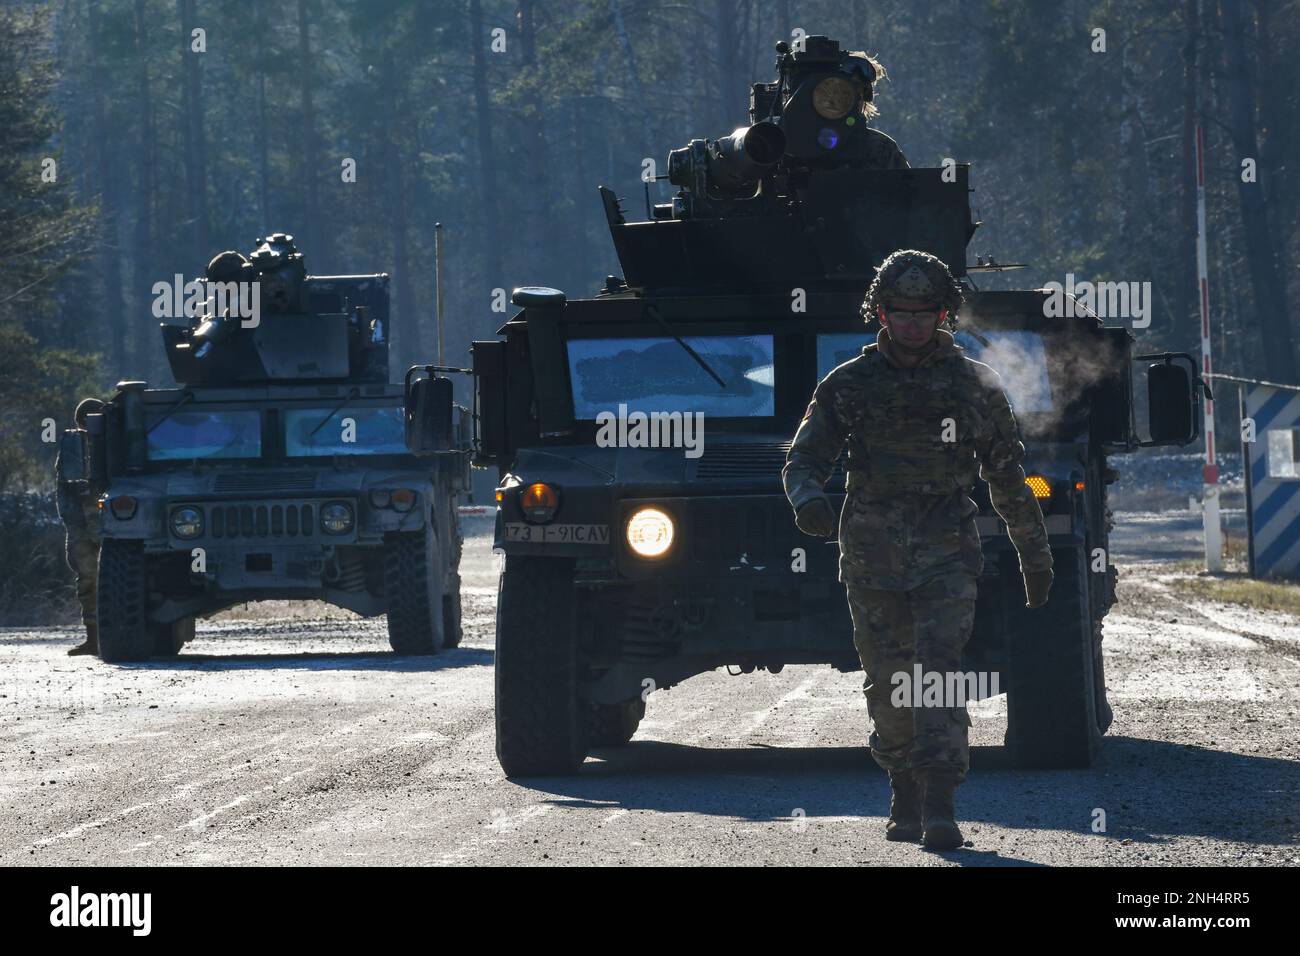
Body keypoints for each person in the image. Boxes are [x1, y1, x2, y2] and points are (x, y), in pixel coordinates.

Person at [782, 249, 1053, 850]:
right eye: (899, 312)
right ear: (880, 312)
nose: (911, 323)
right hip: (871, 556)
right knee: (888, 682)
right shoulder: (849, 385)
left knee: (937, 674)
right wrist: (808, 499)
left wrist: (1034, 552)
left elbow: (1008, 475)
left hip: (947, 555)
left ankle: (939, 800)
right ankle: (903, 785)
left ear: (943, 314)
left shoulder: (975, 386)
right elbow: (804, 457)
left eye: (923, 311)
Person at [56, 397, 106, 656]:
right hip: (82, 526)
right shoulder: (72, 447)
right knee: (88, 580)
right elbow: (63, 490)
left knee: (115, 579)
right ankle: (93, 638)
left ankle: (114, 636)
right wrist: (73, 525)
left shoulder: (113, 444)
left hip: (109, 525)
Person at [843, 50, 908, 170]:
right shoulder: (881, 147)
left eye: (855, 86)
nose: (848, 96)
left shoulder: (881, 148)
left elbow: (907, 186)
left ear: (866, 94)